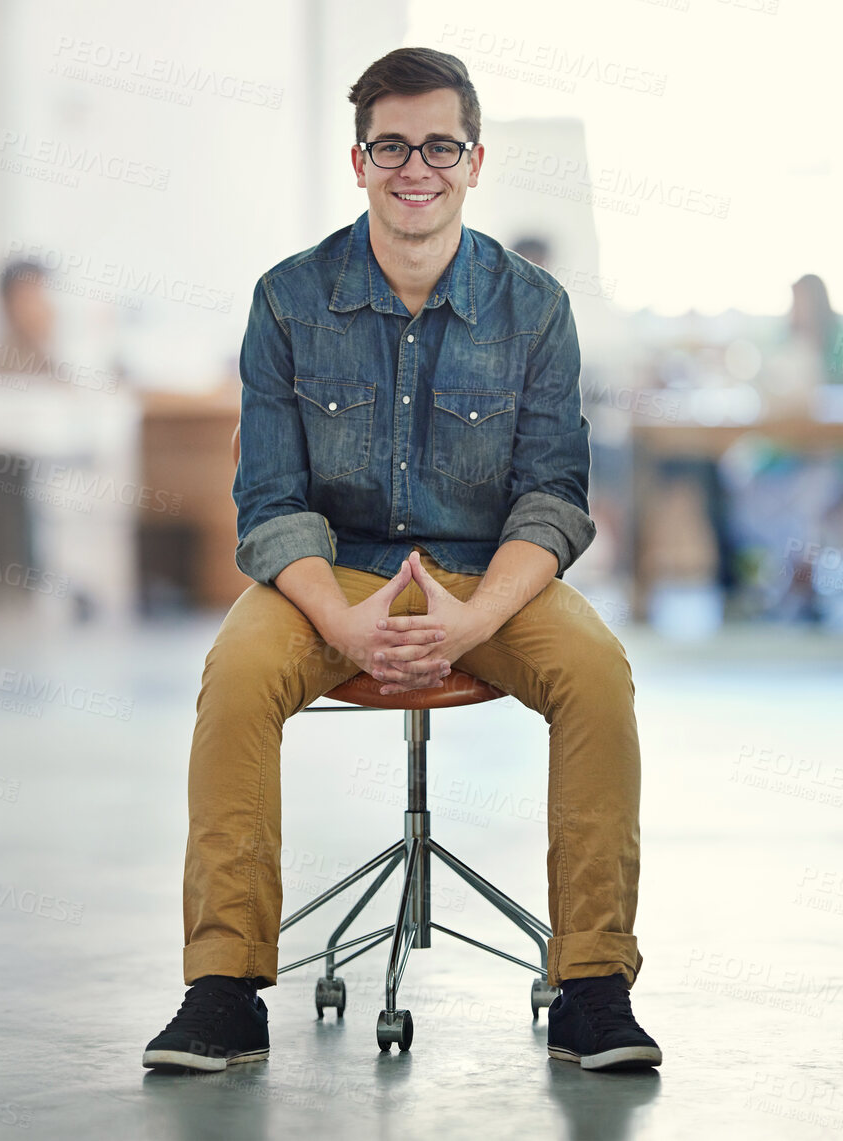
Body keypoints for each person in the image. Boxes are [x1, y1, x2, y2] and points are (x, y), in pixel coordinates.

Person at [141, 47, 659, 1074]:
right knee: (238, 673)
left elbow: (554, 496)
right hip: (330, 573)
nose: (413, 166)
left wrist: (468, 623)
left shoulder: (535, 308)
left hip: (490, 573)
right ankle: (224, 986)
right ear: (359, 158)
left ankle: (593, 986)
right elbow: (271, 500)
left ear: (474, 160)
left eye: (437, 145)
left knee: (596, 673)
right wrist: (342, 622)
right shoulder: (289, 300)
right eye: (391, 145)